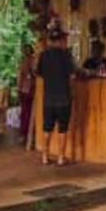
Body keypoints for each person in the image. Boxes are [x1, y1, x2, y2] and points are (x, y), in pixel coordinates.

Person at [36, 23, 79, 166]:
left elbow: (39, 74)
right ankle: (60, 157)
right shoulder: (66, 56)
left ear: (50, 40)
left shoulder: (44, 56)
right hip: (64, 98)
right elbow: (72, 76)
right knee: (63, 128)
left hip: (48, 98)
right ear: (60, 40)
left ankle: (45, 156)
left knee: (47, 128)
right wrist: (72, 92)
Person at [16, 44, 36, 149]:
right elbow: (20, 77)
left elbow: (20, 78)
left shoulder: (27, 62)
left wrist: (18, 89)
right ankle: (26, 135)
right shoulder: (28, 62)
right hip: (28, 90)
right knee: (26, 113)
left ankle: (26, 135)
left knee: (25, 113)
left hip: (27, 90)